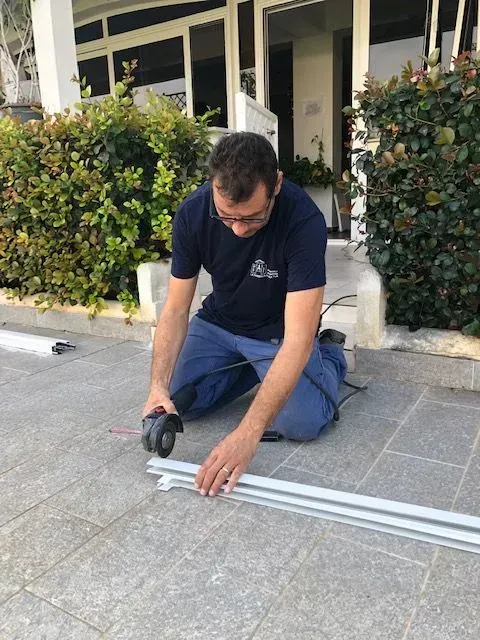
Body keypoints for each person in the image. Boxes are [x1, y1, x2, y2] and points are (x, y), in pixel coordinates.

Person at [143, 132, 347, 497]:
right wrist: (157, 386)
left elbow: (298, 338)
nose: (238, 229)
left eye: (252, 218)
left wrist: (247, 433)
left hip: (278, 334)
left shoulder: (303, 220)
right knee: (180, 401)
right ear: (213, 185)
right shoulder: (192, 213)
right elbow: (175, 309)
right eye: (226, 217)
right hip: (219, 323)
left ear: (276, 184)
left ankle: (330, 354)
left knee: (303, 424)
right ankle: (256, 370)